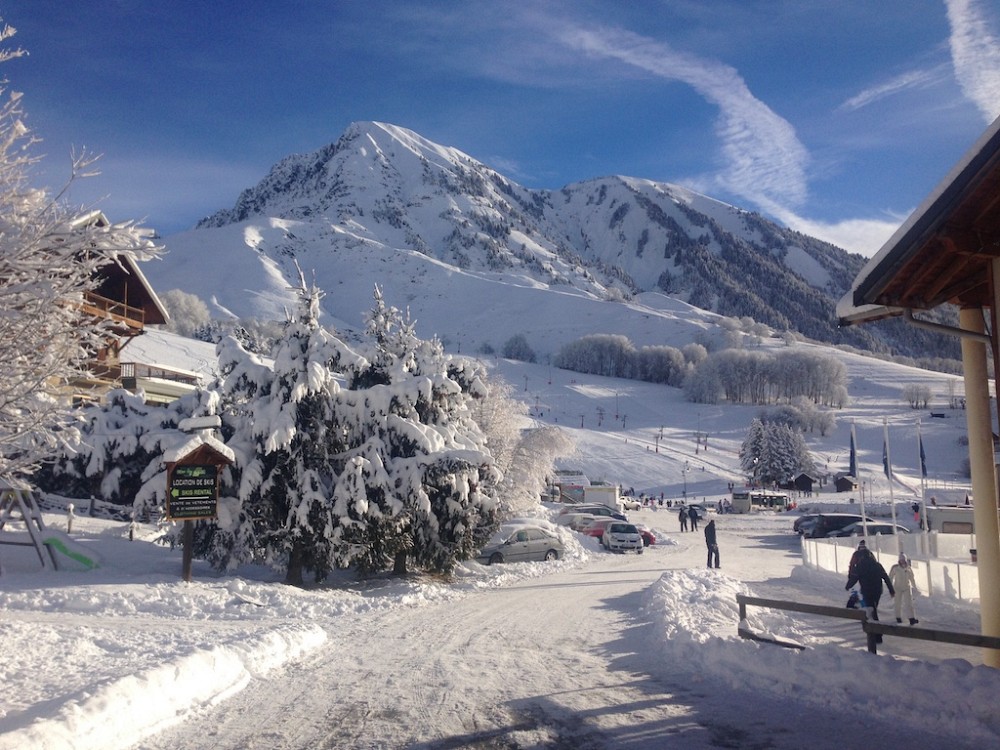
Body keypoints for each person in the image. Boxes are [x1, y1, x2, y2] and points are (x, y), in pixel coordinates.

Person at [845, 546, 895, 628]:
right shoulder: (878, 565)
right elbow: (886, 577)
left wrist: (848, 586)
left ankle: (876, 632)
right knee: (873, 608)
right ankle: (875, 630)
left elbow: (854, 578)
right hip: (877, 591)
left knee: (871, 610)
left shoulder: (860, 566)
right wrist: (891, 590)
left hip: (867, 591)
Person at [889, 554, 919, 625]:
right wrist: (890, 587)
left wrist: (915, 587)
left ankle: (911, 618)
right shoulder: (895, 568)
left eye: (903, 560)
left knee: (909, 603)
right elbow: (890, 577)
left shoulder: (908, 568)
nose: (902, 561)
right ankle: (898, 617)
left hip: (906, 587)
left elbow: (912, 578)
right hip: (897, 588)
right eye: (901, 560)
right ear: (899, 560)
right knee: (897, 603)